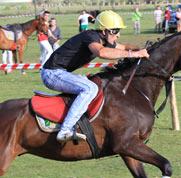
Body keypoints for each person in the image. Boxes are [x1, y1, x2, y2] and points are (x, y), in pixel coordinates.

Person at [40, 10, 150, 142]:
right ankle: (65, 130)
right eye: (115, 31)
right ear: (104, 31)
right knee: (90, 88)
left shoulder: (103, 39)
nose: (118, 35)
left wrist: (145, 50)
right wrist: (134, 55)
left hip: (60, 72)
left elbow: (125, 47)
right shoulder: (90, 37)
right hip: (52, 73)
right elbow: (102, 53)